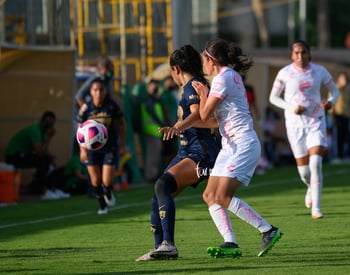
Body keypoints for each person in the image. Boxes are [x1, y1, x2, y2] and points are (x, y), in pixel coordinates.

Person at [192, 38, 283, 259]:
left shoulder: (222, 79)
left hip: (242, 143)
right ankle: (230, 242)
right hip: (230, 144)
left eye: (204, 59)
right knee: (209, 195)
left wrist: (203, 94)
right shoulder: (227, 75)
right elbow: (213, 121)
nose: (202, 64)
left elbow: (204, 115)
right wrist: (180, 126)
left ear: (211, 60)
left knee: (222, 196)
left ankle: (268, 230)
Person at [135, 45, 220, 261]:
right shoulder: (194, 86)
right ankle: (160, 250)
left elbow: (197, 116)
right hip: (186, 151)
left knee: (162, 186)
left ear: (175, 69)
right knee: (159, 194)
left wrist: (177, 127)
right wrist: (179, 126)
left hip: (199, 153)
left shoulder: (192, 87)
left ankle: (168, 244)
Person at [268, 40, 339, 219]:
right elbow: (273, 98)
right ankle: (310, 187)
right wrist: (292, 107)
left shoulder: (319, 71)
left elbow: (335, 91)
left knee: (316, 163)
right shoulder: (284, 73)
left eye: (304, 52)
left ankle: (316, 208)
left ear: (309, 53)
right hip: (294, 125)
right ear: (292, 55)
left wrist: (330, 102)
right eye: (297, 53)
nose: (300, 56)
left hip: (316, 121)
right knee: (304, 172)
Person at [77, 77, 127, 214]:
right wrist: (82, 150)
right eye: (95, 90)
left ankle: (109, 192)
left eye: (101, 90)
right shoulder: (86, 108)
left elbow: (122, 123)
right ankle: (102, 206)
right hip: (91, 148)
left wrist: (122, 144)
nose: (98, 93)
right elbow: (80, 129)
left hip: (109, 147)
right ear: (91, 92)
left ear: (105, 91)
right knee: (95, 179)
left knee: (107, 181)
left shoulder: (111, 105)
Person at [4, 111, 70, 200]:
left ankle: (51, 188)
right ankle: (42, 190)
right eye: (47, 123)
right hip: (13, 156)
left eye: (51, 124)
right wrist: (49, 138)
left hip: (23, 155)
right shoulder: (35, 130)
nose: (49, 126)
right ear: (42, 121)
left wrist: (51, 159)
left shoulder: (43, 132)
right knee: (42, 161)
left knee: (48, 162)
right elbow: (39, 152)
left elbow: (44, 151)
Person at [141, 79, 165, 182]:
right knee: (153, 154)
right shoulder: (149, 100)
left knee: (155, 153)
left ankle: (152, 174)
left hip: (155, 130)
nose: (155, 89)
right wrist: (161, 123)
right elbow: (152, 112)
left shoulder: (155, 99)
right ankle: (151, 175)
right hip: (152, 130)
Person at [331, 72, 350, 163]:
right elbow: (331, 104)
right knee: (338, 137)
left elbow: (348, 104)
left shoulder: (346, 91)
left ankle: (344, 155)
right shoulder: (335, 90)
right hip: (337, 116)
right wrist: (333, 116)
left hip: (346, 116)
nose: (345, 81)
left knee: (345, 137)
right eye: (343, 79)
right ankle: (337, 156)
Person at [159, 76, 179, 167]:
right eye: (169, 82)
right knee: (168, 151)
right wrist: (171, 126)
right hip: (170, 126)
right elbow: (165, 110)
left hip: (175, 125)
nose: (171, 83)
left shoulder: (173, 94)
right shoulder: (165, 95)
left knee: (174, 150)